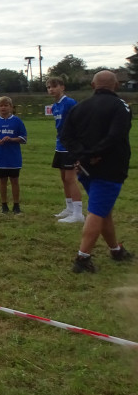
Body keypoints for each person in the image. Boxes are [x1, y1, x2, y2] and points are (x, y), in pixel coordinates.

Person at [62, 70, 132, 273]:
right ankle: (82, 259)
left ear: (93, 86)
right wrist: (94, 154)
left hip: (85, 168)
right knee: (97, 211)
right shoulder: (121, 106)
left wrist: (82, 155)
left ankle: (116, 250)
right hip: (110, 168)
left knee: (103, 209)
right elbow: (116, 136)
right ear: (116, 85)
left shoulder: (79, 107)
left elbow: (66, 136)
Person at [46, 76, 84, 224]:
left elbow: (79, 122)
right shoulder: (55, 106)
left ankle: (78, 213)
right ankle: (69, 208)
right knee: (63, 178)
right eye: (49, 87)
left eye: (54, 86)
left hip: (70, 146)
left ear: (62, 87)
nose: (51, 89)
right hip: (60, 145)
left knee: (70, 178)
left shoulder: (69, 103)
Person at [0, 96, 27, 214]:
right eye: (1, 105)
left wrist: (12, 139)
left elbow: (24, 138)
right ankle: (4, 205)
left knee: (15, 181)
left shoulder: (17, 121)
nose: (3, 108)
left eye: (6, 105)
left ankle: (16, 205)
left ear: (11, 107)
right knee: (2, 181)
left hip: (13, 158)